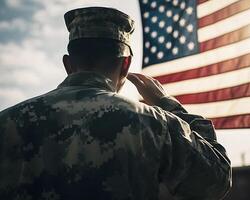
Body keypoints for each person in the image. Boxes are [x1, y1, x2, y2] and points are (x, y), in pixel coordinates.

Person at [0, 7, 231, 200]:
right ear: (126, 65)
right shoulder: (153, 123)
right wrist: (167, 104)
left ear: (68, 64)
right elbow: (217, 178)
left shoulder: (7, 122)